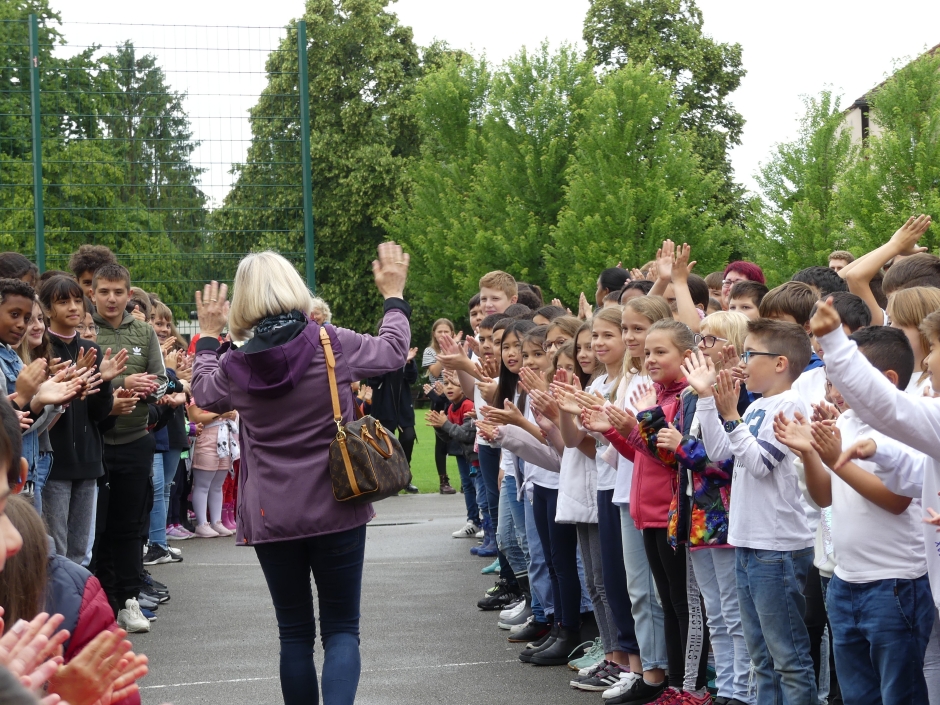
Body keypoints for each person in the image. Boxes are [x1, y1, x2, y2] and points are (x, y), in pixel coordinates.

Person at [191, 243, 412, 705]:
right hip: (338, 503)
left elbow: (205, 394)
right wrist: (393, 296)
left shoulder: (234, 364)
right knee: (341, 629)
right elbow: (394, 352)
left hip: (272, 513)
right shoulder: (330, 342)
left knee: (293, 633)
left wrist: (208, 337)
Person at [774, 325, 932, 703]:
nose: (834, 391)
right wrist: (809, 454)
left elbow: (897, 501)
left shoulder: (906, 427)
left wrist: (835, 461)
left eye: (847, 379)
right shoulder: (845, 422)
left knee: (900, 692)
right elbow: (824, 498)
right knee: (857, 694)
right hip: (845, 582)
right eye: (832, 381)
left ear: (886, 381)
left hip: (895, 584)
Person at [686, 319, 817, 705]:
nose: (742, 362)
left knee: (787, 657)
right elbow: (719, 452)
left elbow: (760, 464)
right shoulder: (757, 404)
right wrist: (708, 399)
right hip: (747, 540)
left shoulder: (791, 404)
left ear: (779, 363)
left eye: (749, 354)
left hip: (776, 547)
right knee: (761, 656)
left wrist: (731, 415)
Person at [91, 263, 168, 630]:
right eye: (104, 291)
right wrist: (122, 381)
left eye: (118, 292)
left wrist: (151, 387)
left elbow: (164, 381)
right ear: (92, 294)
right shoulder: (86, 330)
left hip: (136, 441)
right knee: (98, 529)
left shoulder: (145, 331)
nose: (111, 298)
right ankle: (102, 602)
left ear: (129, 294)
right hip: (97, 443)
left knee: (130, 526)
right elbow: (81, 378)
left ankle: (129, 600)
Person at [40, 275, 124, 564]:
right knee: (56, 550)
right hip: (54, 463)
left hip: (88, 461)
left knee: (81, 552)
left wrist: (105, 381)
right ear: (47, 309)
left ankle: (79, 595)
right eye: (63, 301)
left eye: (78, 300)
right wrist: (69, 379)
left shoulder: (92, 349)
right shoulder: (41, 350)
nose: (73, 307)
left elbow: (99, 415)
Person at [367, 344, 420, 495]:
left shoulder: (405, 355)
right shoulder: (377, 355)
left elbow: (412, 378)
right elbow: (373, 381)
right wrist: (389, 363)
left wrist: (408, 363)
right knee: (385, 444)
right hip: (384, 407)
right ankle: (390, 479)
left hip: (403, 406)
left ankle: (405, 476)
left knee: (408, 437)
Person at [422, 319, 457, 494]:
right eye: (440, 332)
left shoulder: (458, 349)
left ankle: (468, 478)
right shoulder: (430, 351)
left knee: (461, 437)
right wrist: (445, 350)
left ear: (452, 333)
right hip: (438, 399)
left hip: (456, 397)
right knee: (441, 441)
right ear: (434, 334)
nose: (443, 335)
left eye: (446, 331)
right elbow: (435, 372)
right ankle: (443, 481)